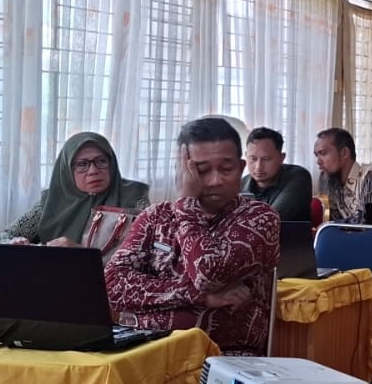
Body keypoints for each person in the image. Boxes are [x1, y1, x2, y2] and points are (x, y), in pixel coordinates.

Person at [105, 117, 280, 356]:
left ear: (241, 168)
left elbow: (208, 274)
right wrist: (200, 297)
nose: (215, 180)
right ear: (182, 170)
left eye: (226, 169)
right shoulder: (155, 217)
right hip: (147, 353)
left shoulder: (259, 217)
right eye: (201, 171)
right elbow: (112, 286)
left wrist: (187, 204)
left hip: (225, 359)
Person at [1, 131, 150, 255]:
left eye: (101, 161)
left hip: (110, 278)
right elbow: (5, 236)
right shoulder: (51, 201)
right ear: (67, 170)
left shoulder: (134, 197)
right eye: (82, 164)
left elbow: (146, 250)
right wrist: (14, 242)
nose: (93, 171)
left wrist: (81, 251)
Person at [314, 127, 372, 224]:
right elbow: (334, 219)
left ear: (344, 153)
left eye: (323, 153)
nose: (318, 161)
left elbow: (366, 223)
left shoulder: (370, 176)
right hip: (357, 233)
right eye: (316, 155)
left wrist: (329, 226)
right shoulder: (327, 179)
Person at [240, 127, 314, 223]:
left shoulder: (298, 177)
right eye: (253, 159)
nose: (258, 167)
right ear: (246, 156)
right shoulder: (242, 183)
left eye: (266, 159)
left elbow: (271, 220)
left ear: (281, 158)